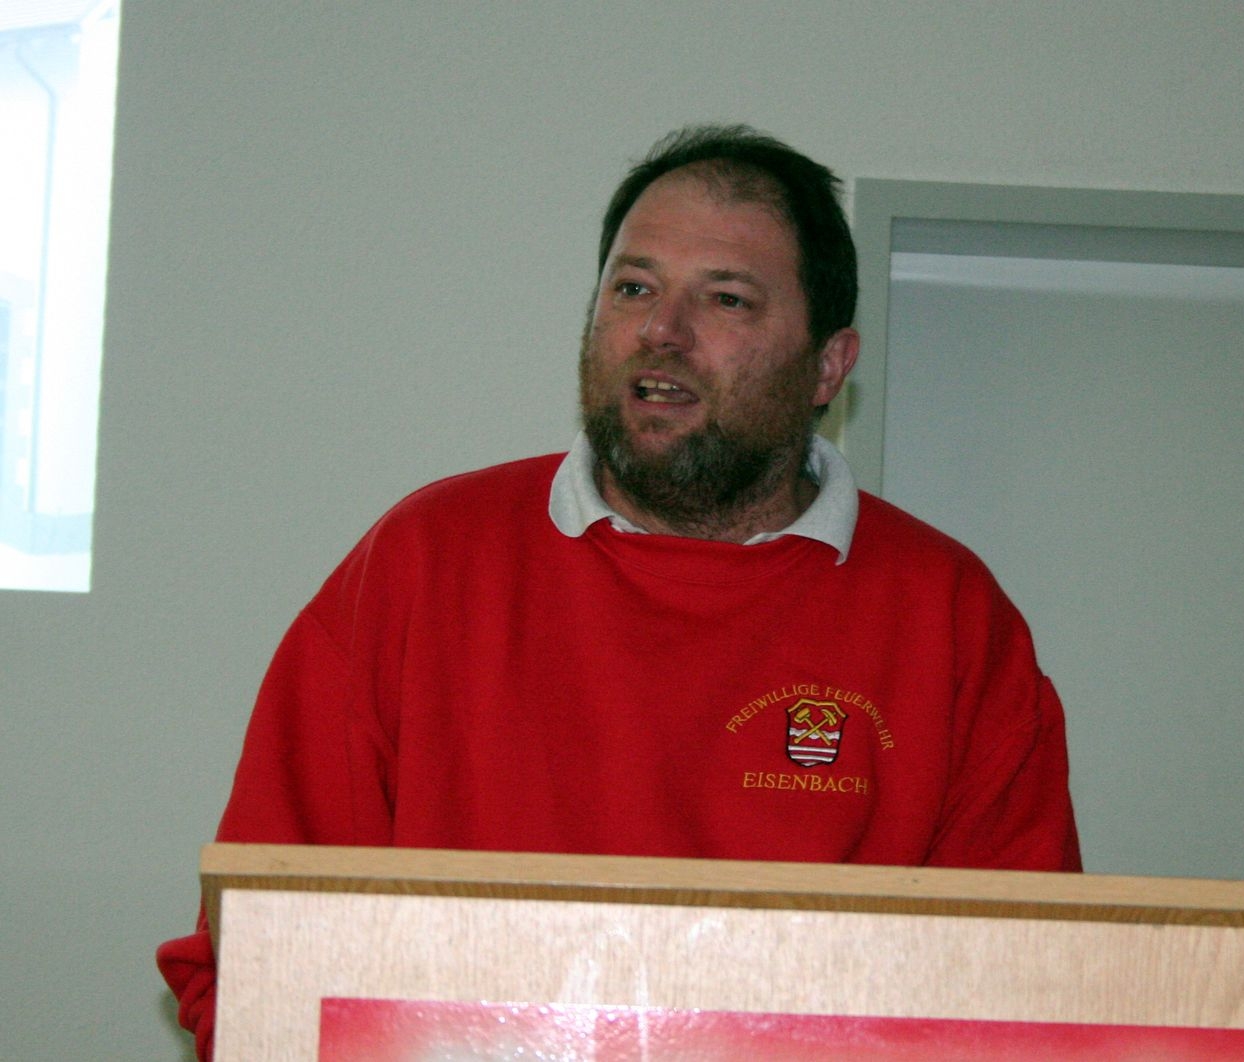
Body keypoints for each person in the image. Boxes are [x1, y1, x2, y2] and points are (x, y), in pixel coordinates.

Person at [157, 124, 1081, 1060]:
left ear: (829, 366)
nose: (661, 332)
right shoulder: (425, 560)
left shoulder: (950, 616)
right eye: (634, 288)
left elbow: (1026, 1000)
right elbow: (251, 959)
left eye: (725, 299)